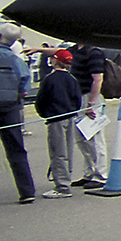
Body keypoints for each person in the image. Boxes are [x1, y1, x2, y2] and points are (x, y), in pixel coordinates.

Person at [0, 23, 36, 206]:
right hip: (11, 109)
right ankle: (26, 191)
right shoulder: (17, 61)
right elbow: (24, 89)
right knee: (17, 151)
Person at [34, 48, 80, 198]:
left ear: (55, 61)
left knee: (57, 151)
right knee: (68, 150)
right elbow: (77, 100)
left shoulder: (50, 79)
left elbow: (41, 100)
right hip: (69, 116)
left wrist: (44, 114)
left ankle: (61, 186)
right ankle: (67, 176)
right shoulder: (72, 79)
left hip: (55, 118)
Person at [68, 41, 107, 188]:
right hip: (78, 97)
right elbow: (57, 52)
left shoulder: (94, 52)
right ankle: (89, 172)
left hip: (90, 97)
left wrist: (91, 103)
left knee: (94, 138)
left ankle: (101, 174)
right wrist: (37, 49)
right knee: (81, 138)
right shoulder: (74, 50)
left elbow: (97, 79)